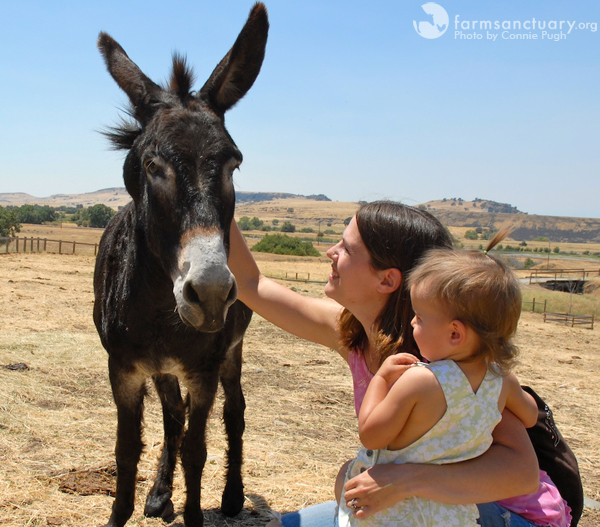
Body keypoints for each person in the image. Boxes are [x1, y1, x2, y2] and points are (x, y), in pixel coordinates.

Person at [227, 201, 546, 527]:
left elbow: (522, 474)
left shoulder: (449, 361)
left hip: (491, 512)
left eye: (346, 248)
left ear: (387, 280)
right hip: (406, 506)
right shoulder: (355, 331)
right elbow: (252, 285)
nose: (330, 252)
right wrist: (216, 199)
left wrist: (406, 480)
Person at [335, 235, 571, 527]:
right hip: (453, 513)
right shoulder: (501, 380)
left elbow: (371, 435)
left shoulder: (419, 381)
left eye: (420, 317)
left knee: (345, 479)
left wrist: (382, 378)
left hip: (395, 512)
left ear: (455, 333)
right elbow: (528, 414)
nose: (412, 323)